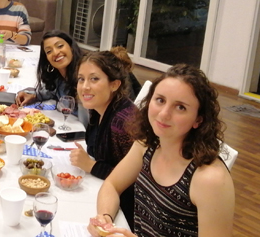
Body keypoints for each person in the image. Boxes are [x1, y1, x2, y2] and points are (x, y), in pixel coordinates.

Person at [87, 64, 235, 237]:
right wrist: (105, 218)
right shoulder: (147, 145)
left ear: (198, 120)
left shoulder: (209, 179)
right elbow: (112, 185)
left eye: (180, 107)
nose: (164, 114)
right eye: (160, 100)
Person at [72, 50, 137, 227]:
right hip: (106, 194)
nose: (85, 86)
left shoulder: (123, 122)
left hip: (127, 215)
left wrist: (91, 166)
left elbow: (133, 181)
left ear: (114, 84)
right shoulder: (99, 109)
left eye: (94, 79)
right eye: (81, 79)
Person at [16, 30, 84, 112]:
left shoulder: (84, 78)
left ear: (71, 47)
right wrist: (33, 95)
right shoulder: (58, 79)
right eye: (49, 51)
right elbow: (48, 91)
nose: (55, 53)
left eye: (60, 46)